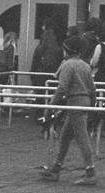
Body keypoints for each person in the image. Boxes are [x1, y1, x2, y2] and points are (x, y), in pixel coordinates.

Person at [40, 35, 99, 185]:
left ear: (67, 50)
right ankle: (56, 169)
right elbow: (92, 89)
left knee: (82, 138)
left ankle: (90, 172)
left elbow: (62, 88)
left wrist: (50, 106)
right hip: (84, 102)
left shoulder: (67, 65)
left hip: (74, 103)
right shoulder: (85, 65)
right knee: (65, 136)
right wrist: (92, 105)